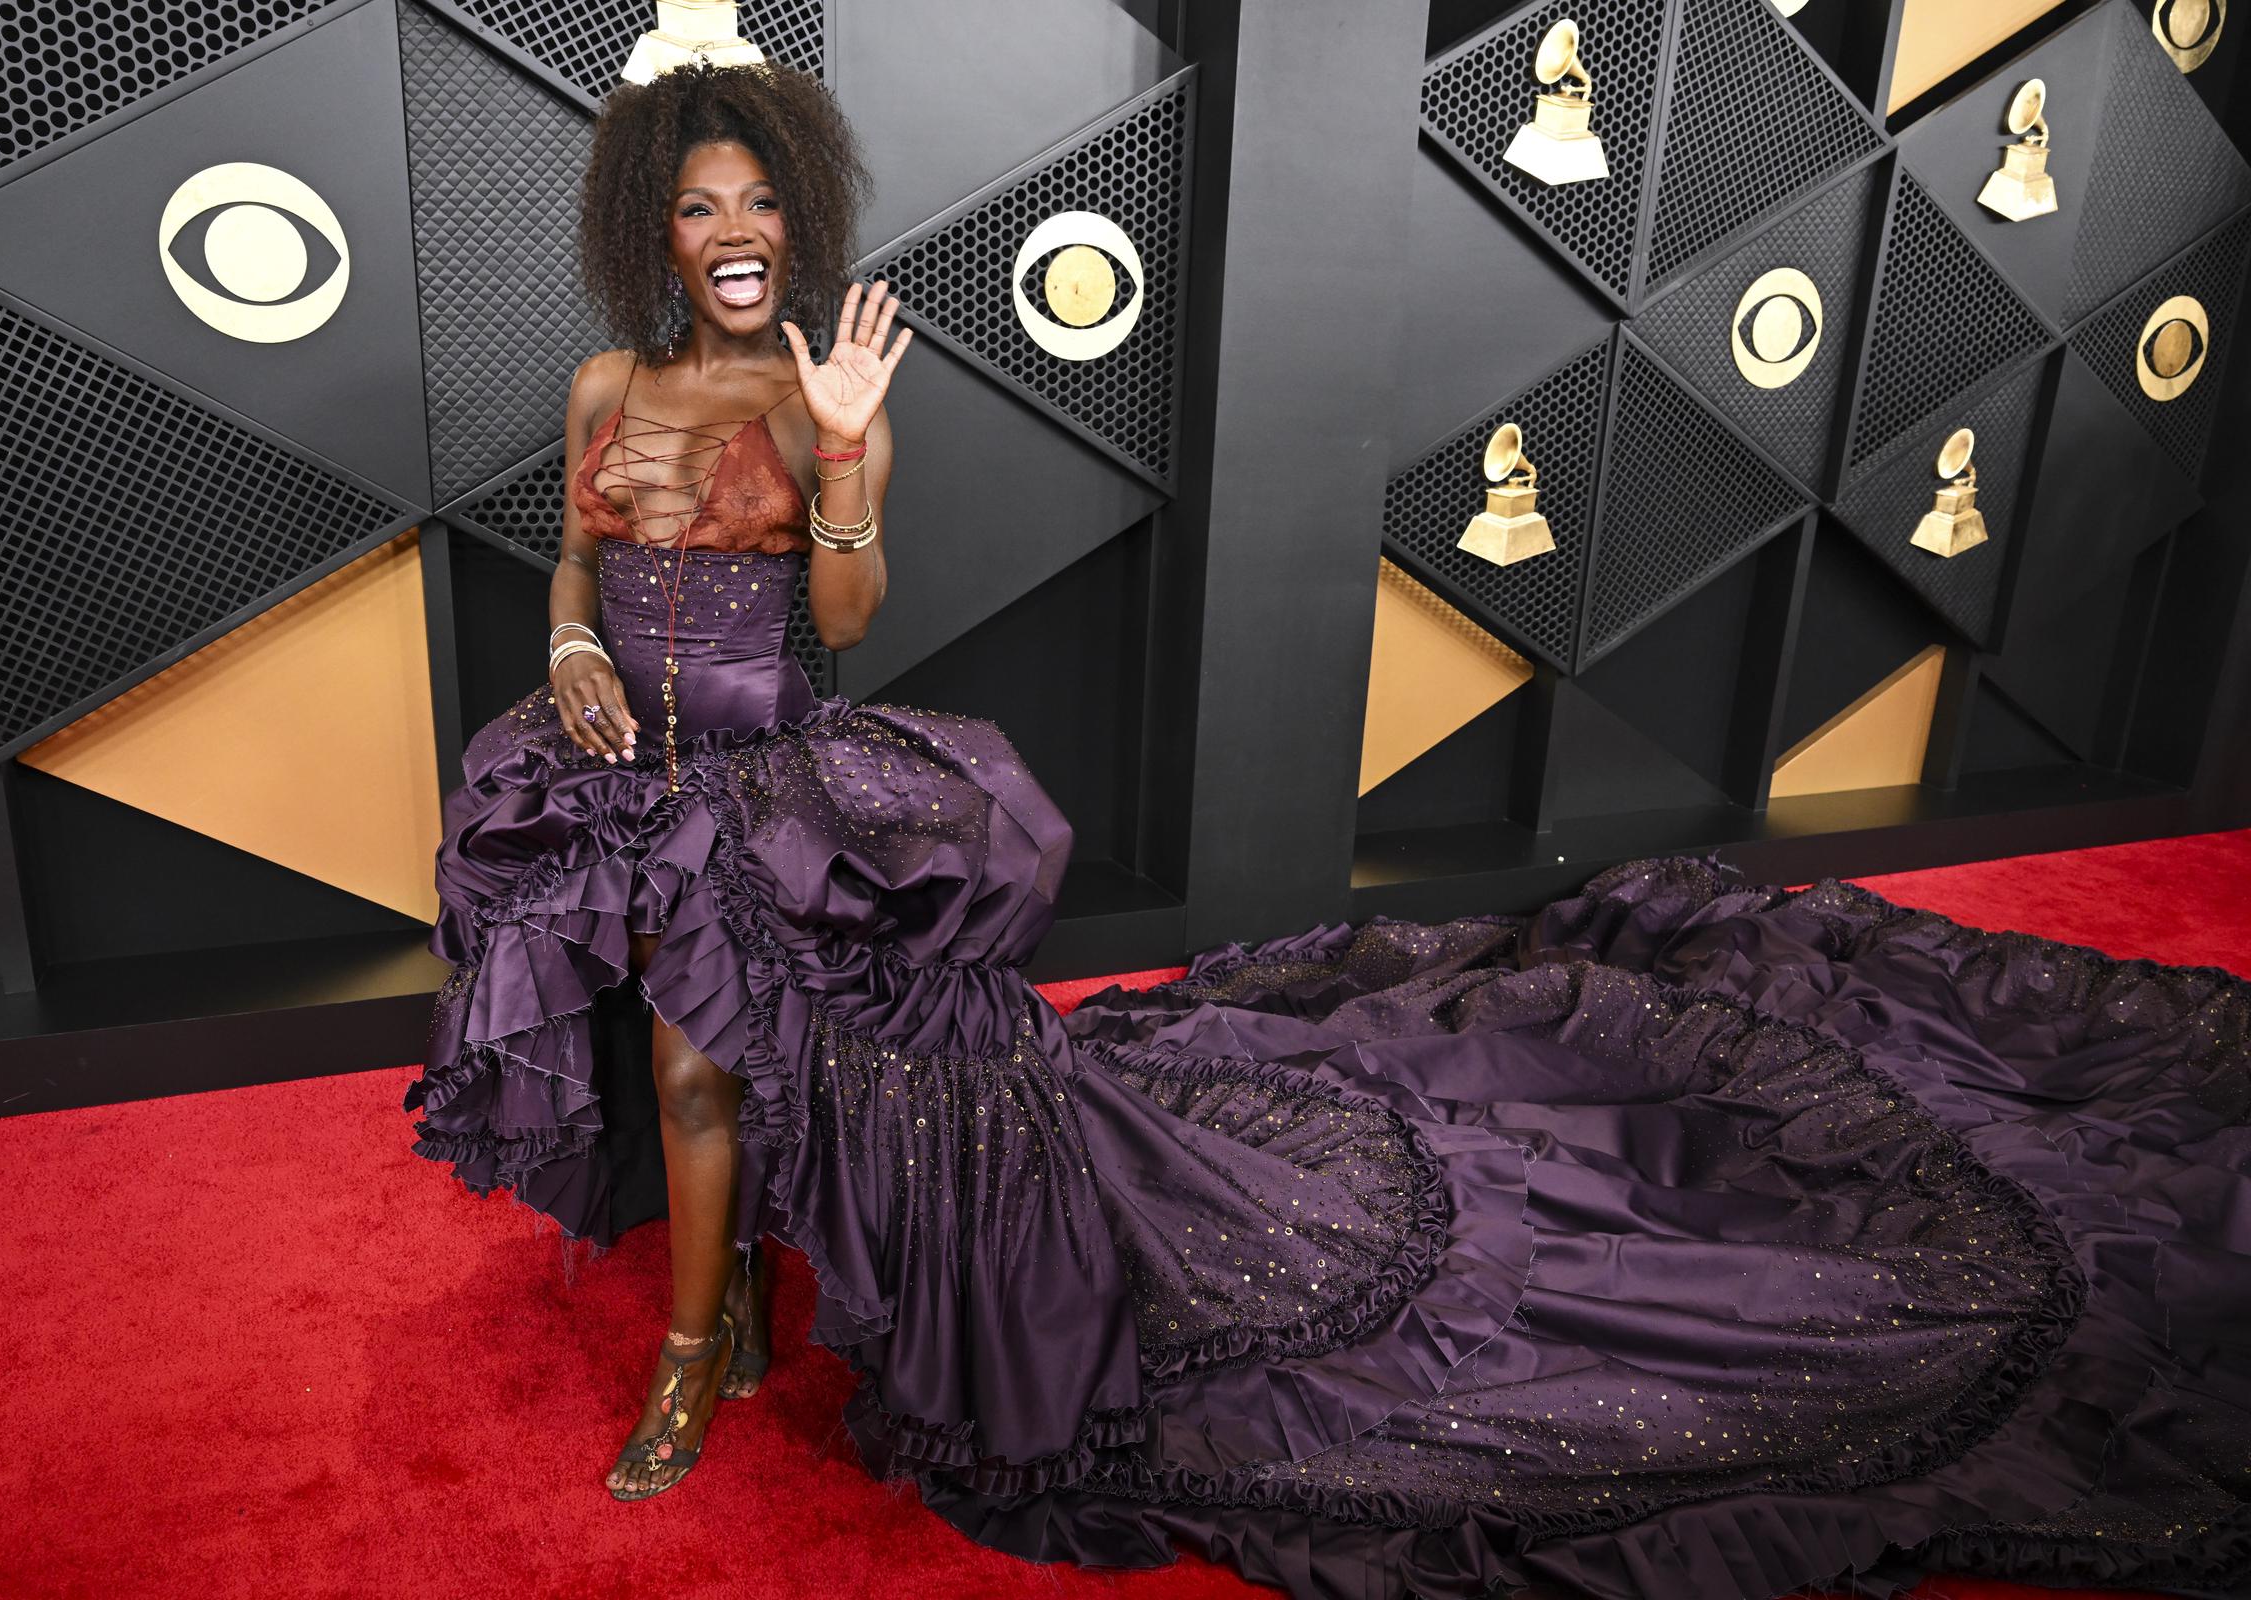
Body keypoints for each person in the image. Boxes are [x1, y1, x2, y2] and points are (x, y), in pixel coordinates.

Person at [407, 56, 2248, 1598]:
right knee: (677, 1057)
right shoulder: (598, 388)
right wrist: (566, 635)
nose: (736, 237)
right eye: (701, 209)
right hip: (599, 766)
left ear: (798, 215)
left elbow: (853, 622)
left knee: (699, 1062)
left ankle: (697, 1345)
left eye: (762, 206)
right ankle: (721, 1292)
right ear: (654, 226)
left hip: (754, 775)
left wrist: (848, 458)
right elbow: (574, 553)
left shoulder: (829, 400)